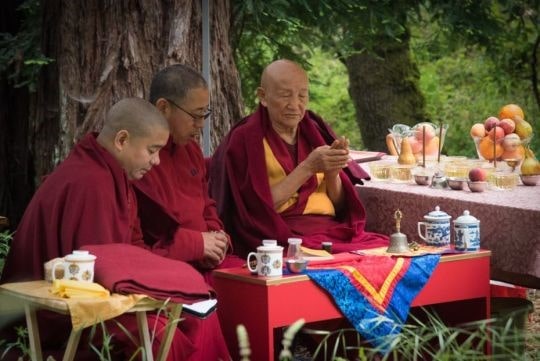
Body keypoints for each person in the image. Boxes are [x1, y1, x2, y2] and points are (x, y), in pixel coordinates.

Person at [1, 98, 231, 361]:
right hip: (51, 315)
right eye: (152, 150)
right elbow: (100, 270)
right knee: (161, 337)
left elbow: (133, 250)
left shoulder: (115, 175)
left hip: (94, 296)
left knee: (185, 321)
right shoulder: (92, 182)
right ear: (122, 140)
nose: (156, 162)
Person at [209, 59, 389, 257]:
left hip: (329, 232)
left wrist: (332, 172)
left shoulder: (315, 131)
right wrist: (308, 167)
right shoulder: (245, 140)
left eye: (302, 95)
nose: (295, 105)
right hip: (278, 237)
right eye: (285, 95)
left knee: (388, 251)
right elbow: (258, 210)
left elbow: (339, 207)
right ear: (263, 96)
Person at [133, 64, 242, 272]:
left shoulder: (191, 150)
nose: (201, 125)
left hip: (206, 257)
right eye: (195, 115)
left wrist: (218, 237)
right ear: (163, 108)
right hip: (171, 263)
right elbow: (152, 234)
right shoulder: (140, 158)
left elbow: (206, 204)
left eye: (204, 114)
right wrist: (198, 245)